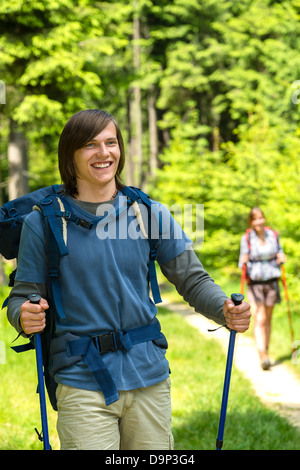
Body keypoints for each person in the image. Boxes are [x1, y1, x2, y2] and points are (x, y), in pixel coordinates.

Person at [7, 109, 251, 450]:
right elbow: (22, 297)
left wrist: (225, 309)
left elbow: (193, 280)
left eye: (111, 142)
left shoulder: (148, 212)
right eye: (90, 144)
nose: (104, 153)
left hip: (149, 375)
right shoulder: (43, 223)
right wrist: (24, 314)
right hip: (81, 380)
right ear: (70, 154)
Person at [239, 207, 286, 371]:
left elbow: (280, 253)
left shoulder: (273, 235)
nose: (259, 221)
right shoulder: (247, 238)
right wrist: (244, 261)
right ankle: (262, 356)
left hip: (272, 281)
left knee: (268, 319)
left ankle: (266, 350)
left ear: (263, 219)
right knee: (259, 318)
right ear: (251, 222)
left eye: (261, 218)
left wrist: (282, 258)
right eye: (255, 219)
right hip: (256, 283)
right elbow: (241, 264)